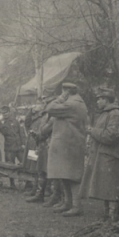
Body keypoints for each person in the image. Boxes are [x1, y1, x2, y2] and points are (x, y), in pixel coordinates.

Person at [42, 82, 89, 214]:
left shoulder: (71, 104)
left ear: (67, 91)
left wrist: (60, 98)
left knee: (71, 176)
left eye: (63, 91)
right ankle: (68, 203)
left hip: (69, 144)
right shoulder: (75, 103)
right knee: (64, 174)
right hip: (68, 143)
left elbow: (50, 108)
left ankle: (76, 206)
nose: (61, 94)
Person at [80, 86, 119, 220]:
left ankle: (113, 215)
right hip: (104, 155)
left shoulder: (115, 114)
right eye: (98, 99)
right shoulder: (105, 113)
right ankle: (107, 215)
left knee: (111, 188)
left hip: (112, 157)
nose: (98, 102)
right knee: (104, 187)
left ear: (107, 100)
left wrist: (92, 131)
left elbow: (111, 136)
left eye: (100, 99)